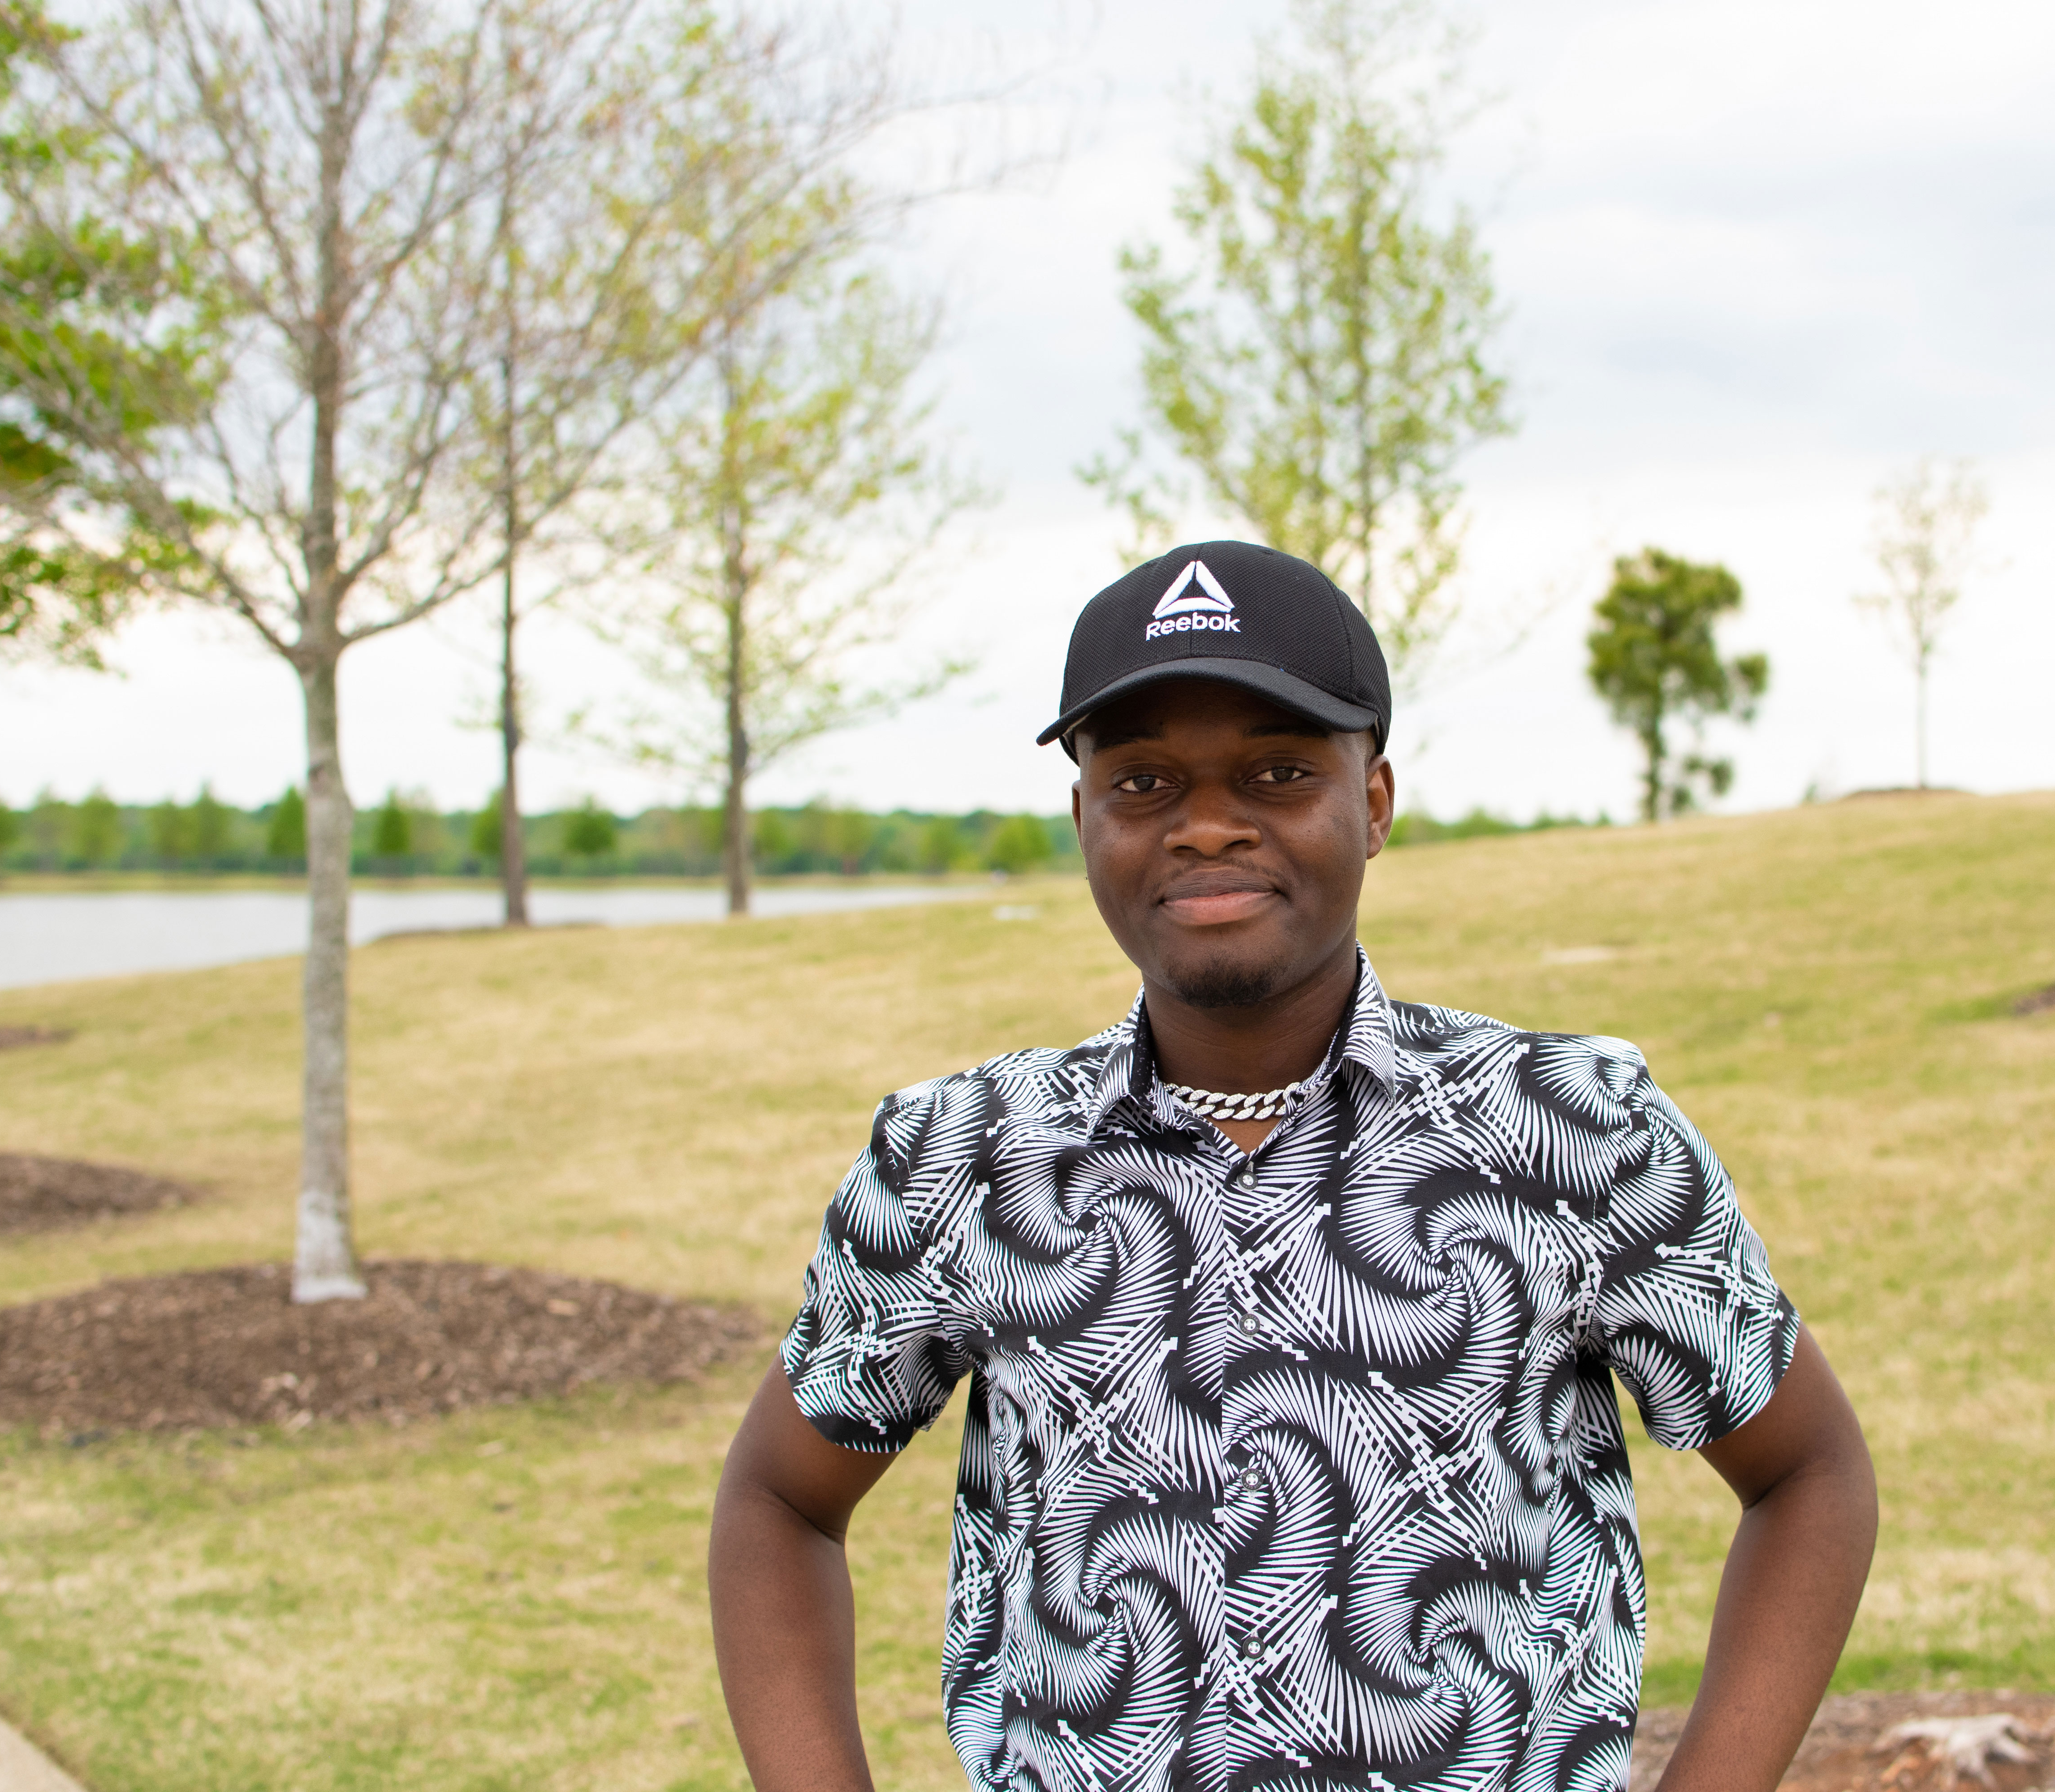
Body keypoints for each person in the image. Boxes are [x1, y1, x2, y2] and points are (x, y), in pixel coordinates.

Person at [710, 541, 1877, 1792]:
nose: (1207, 824)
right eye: (1145, 780)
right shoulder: (967, 1159)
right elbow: (778, 1504)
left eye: (1277, 771)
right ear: (1085, 821)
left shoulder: (1568, 1127)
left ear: (1372, 803)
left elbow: (1809, 1473)